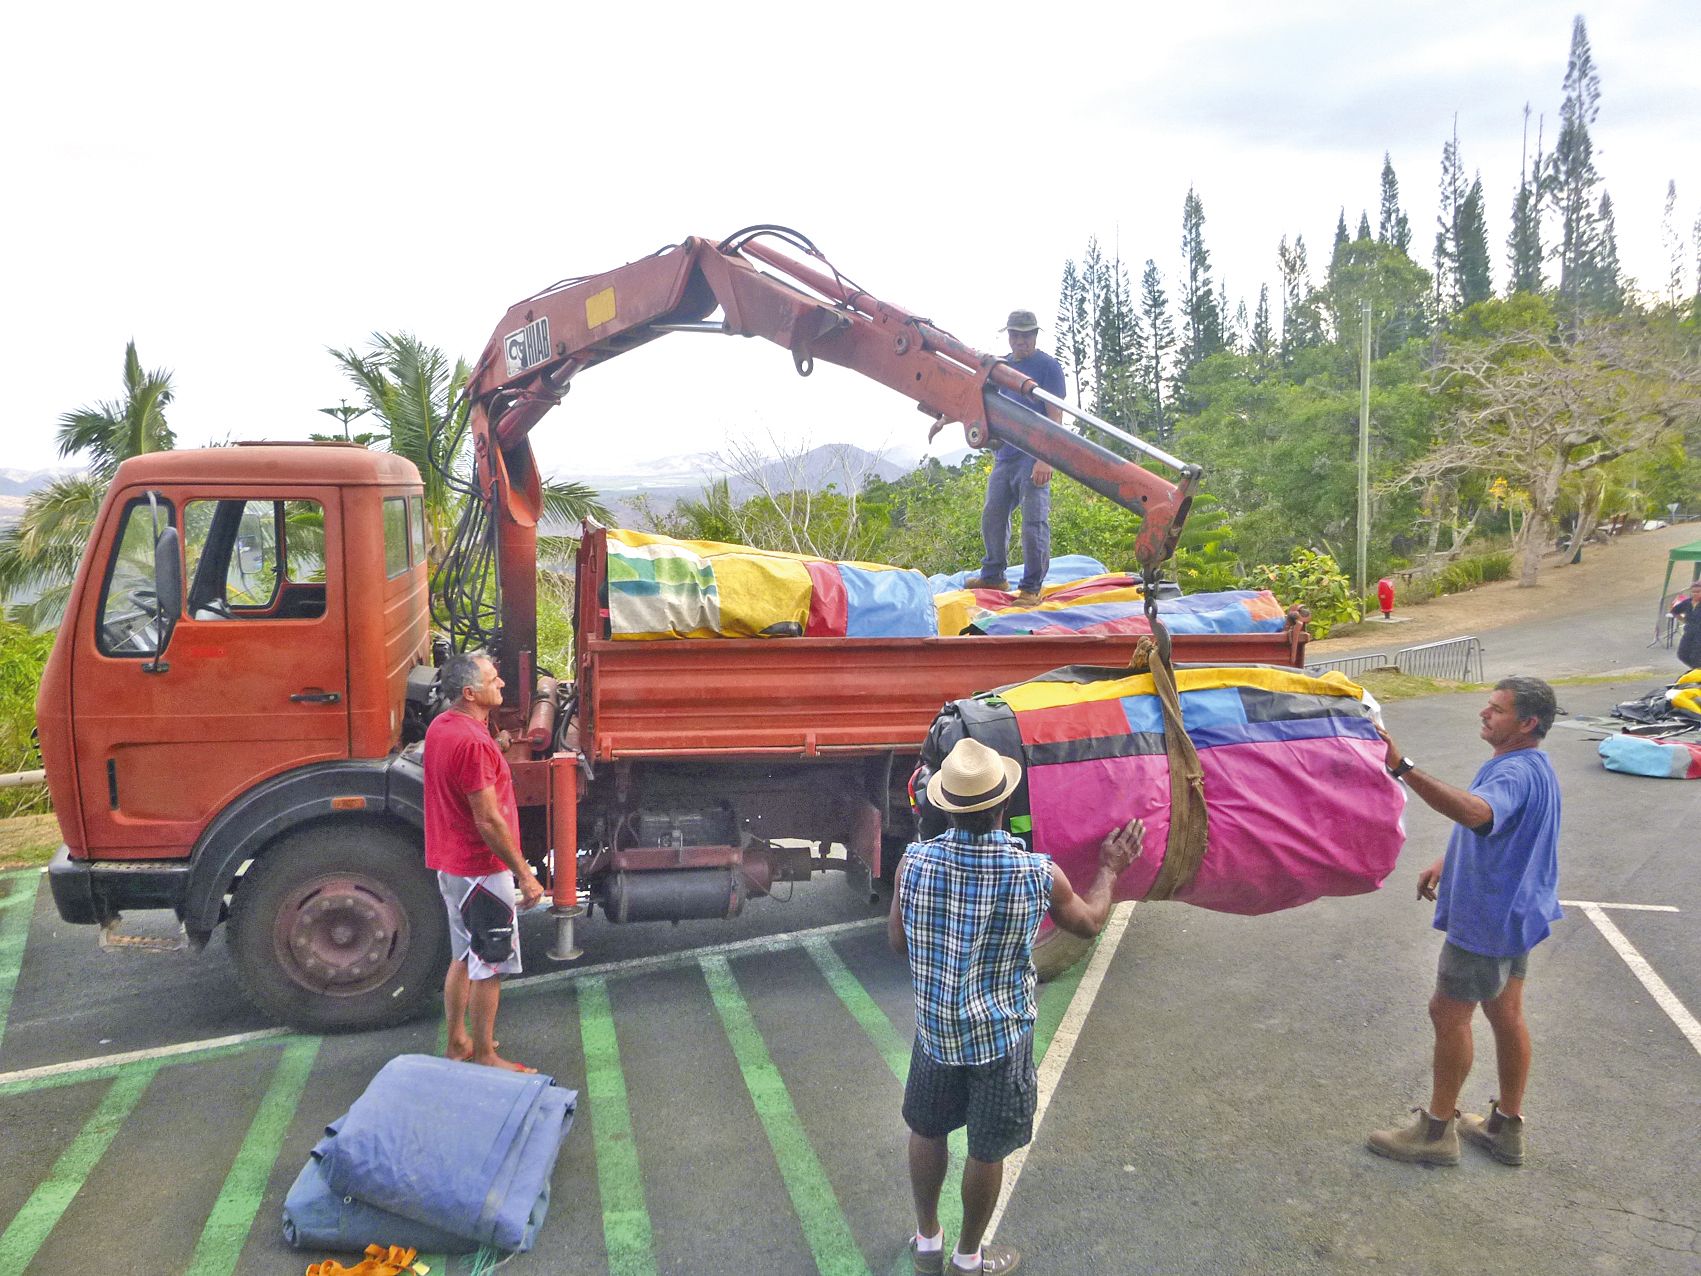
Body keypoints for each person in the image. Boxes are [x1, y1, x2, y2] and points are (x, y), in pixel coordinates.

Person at [888, 738, 1143, 1273]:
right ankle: (968, 1257)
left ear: (945, 806)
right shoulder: (1035, 873)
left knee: (926, 1130)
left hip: (936, 1033)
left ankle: (928, 1240)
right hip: (1002, 1038)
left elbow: (897, 942)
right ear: (1004, 804)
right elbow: (1089, 922)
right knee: (988, 1148)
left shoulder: (913, 863)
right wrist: (1110, 869)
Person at [1367, 677, 1562, 1167]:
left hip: (1486, 919)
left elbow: (1479, 814)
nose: (1484, 713)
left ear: (1527, 723)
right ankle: (1505, 1127)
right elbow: (1503, 829)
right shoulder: (1534, 766)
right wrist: (1447, 860)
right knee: (1506, 1013)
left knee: (1448, 1013)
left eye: (1496, 709)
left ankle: (1435, 1132)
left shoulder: (1512, 772)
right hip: (1518, 912)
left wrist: (1402, 767)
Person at [424, 651, 546, 1072]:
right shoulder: (475, 744)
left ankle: (458, 1041)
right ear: (470, 693)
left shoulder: (444, 726)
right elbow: (488, 819)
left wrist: (496, 747)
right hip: (480, 869)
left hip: (451, 864)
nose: (502, 684)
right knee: (490, 964)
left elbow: (465, 764)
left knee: (463, 956)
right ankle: (485, 1055)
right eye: (494, 680)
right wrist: (525, 874)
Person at [963, 310, 1067, 607]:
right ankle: (994, 574)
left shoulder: (1048, 367)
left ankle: (1031, 587)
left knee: (1033, 523)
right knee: (993, 515)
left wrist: (1046, 458)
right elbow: (977, 400)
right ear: (1008, 336)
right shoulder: (1001, 367)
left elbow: (1055, 416)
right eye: (1015, 335)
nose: (1021, 341)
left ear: (1035, 336)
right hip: (1005, 455)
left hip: (1033, 455)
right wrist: (946, 418)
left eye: (1026, 335)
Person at [1670, 580, 1701, 669]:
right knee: (1682, 654)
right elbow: (1674, 611)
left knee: (1696, 657)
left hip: (1699, 635)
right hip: (1688, 632)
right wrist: (1684, 620)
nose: (1695, 594)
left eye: (1698, 592)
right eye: (1693, 592)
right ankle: (1696, 670)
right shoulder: (1687, 602)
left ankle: (1697, 672)